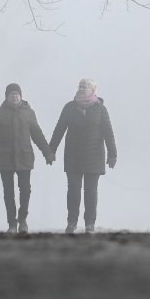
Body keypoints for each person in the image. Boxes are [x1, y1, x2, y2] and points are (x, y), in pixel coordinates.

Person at [0, 83, 53, 233]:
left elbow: (37, 134)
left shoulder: (29, 113)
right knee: (8, 193)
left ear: (21, 96)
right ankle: (12, 224)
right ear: (6, 96)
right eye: (12, 94)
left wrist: (48, 152)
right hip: (5, 158)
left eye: (17, 94)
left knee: (25, 190)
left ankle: (23, 219)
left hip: (25, 157)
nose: (15, 96)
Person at [49, 78, 117, 233]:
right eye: (80, 86)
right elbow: (59, 129)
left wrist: (113, 154)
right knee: (73, 190)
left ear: (92, 90)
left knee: (90, 191)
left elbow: (108, 132)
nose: (81, 88)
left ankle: (89, 224)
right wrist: (50, 150)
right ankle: (71, 222)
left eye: (84, 86)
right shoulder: (69, 107)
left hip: (94, 156)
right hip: (73, 156)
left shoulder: (100, 109)